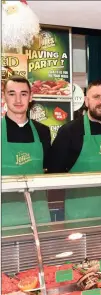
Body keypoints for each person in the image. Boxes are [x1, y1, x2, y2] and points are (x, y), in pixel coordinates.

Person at [47, 79, 101, 219]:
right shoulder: (69, 131)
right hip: (81, 217)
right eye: (96, 97)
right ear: (86, 101)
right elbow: (53, 174)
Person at [1, 75, 51, 227]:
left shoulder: (43, 131)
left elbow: (49, 169)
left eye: (23, 94)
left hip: (38, 214)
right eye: (11, 94)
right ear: (3, 96)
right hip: (4, 216)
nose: (18, 100)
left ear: (31, 97)